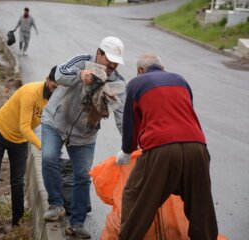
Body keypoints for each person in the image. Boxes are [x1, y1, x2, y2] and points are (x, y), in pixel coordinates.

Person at [117, 53, 218, 239]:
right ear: (162, 67)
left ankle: (128, 237)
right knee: (200, 203)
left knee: (136, 194)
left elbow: (131, 124)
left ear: (140, 70)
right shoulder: (181, 80)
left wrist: (127, 150)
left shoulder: (136, 84)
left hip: (161, 148)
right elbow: (186, 112)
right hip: (197, 146)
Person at [41, 36, 126, 239]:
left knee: (82, 175)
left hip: (85, 133)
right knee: (48, 157)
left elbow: (122, 115)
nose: (112, 65)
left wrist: (129, 145)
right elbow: (59, 73)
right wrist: (80, 75)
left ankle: (77, 223)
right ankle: (56, 204)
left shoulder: (118, 82)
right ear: (99, 53)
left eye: (116, 62)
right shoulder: (81, 61)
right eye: (109, 60)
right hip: (56, 121)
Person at [0, 66, 58, 228]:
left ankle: (17, 221)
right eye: (53, 86)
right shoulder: (31, 92)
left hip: (19, 141)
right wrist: (43, 147)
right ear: (47, 79)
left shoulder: (55, 100)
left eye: (59, 89)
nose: (55, 91)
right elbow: (25, 127)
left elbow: (54, 125)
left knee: (17, 182)